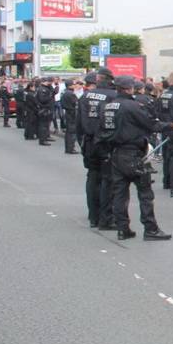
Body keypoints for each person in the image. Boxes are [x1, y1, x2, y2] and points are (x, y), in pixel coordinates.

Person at [101, 75, 173, 241]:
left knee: (120, 193)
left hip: (115, 153)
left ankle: (123, 228)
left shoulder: (108, 106)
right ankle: (150, 228)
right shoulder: (132, 106)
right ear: (130, 88)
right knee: (145, 193)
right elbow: (151, 124)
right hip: (133, 153)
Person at [77, 70, 116, 229]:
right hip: (106, 142)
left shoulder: (85, 97)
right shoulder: (113, 96)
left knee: (92, 177)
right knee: (108, 179)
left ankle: (93, 215)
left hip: (89, 141)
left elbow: (78, 121)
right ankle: (105, 216)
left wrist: (81, 141)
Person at [61, 80, 80, 154]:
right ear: (70, 85)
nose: (75, 85)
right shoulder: (71, 94)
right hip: (72, 114)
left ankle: (68, 148)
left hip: (68, 113)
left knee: (69, 132)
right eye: (73, 84)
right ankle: (71, 148)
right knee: (72, 132)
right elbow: (76, 103)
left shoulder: (65, 93)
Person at [35, 77, 55, 146]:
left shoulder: (47, 88)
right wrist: (50, 96)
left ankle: (45, 137)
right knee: (43, 125)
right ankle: (42, 140)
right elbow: (43, 99)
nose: (50, 83)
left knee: (46, 125)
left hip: (47, 108)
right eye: (49, 82)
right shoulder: (42, 89)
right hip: (44, 109)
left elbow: (52, 93)